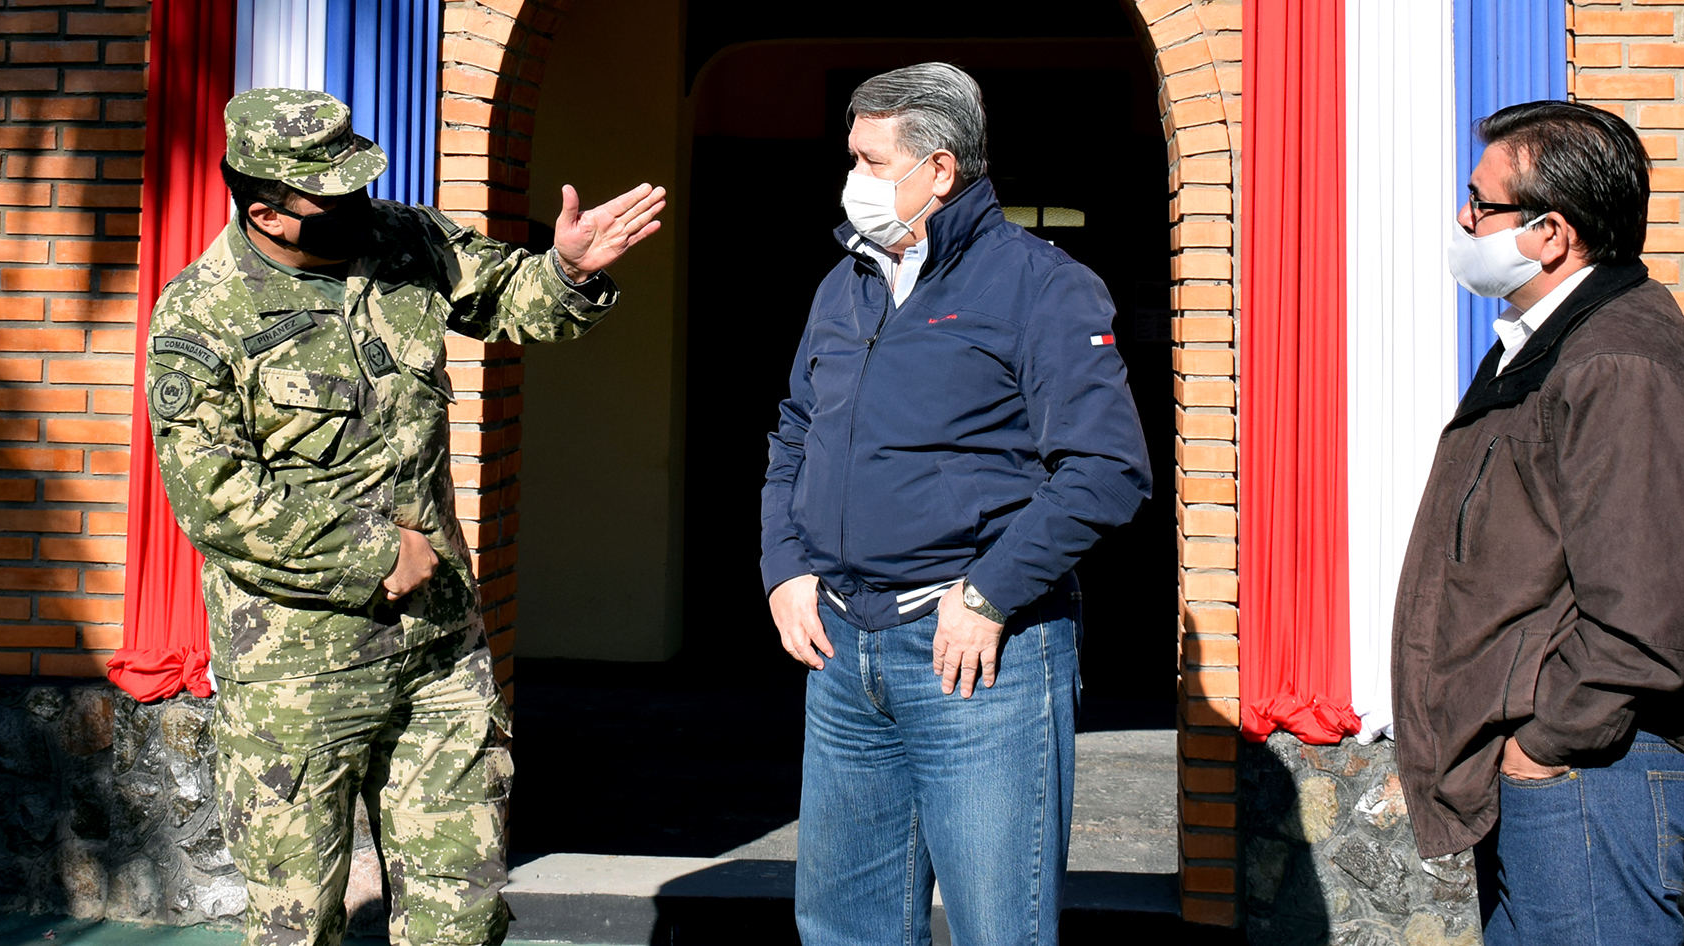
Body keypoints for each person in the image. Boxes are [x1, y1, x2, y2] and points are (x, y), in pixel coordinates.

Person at [146, 88, 665, 946]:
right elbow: (214, 496)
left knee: (461, 914)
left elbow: (509, 296)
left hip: (438, 650)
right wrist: (373, 553)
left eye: (358, 183)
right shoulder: (202, 313)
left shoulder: (403, 240)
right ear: (267, 213)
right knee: (296, 926)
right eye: (331, 197)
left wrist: (566, 270)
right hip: (296, 674)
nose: (359, 205)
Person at [759, 62, 1150, 946]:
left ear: (939, 169)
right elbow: (794, 432)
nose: (853, 179)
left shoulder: (1040, 285)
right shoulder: (846, 282)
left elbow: (1106, 468)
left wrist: (987, 594)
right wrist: (784, 567)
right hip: (843, 653)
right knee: (842, 929)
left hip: (977, 659)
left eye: (870, 161)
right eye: (852, 158)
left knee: (999, 929)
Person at [1393, 100, 1684, 946]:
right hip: (1563, 774)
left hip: (1593, 773)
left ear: (1551, 234)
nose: (1463, 218)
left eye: (1482, 203)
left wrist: (1541, 747)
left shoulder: (1618, 361)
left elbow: (1646, 619)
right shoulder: (1550, 343)